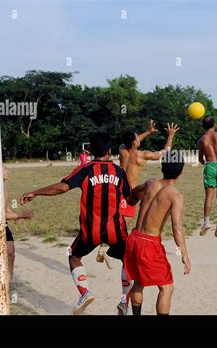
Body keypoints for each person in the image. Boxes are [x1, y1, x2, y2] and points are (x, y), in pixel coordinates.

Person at [20, 133, 132, 315]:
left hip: (91, 231)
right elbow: (130, 196)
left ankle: (85, 292)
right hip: (116, 230)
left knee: (73, 256)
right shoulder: (119, 172)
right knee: (128, 261)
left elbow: (62, 187)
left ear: (92, 151)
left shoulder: (86, 169)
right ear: (110, 151)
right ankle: (123, 300)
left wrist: (36, 192)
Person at [96, 120, 179, 315]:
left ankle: (106, 246)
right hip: (128, 196)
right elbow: (163, 153)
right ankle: (106, 247)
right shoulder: (141, 156)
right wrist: (170, 136)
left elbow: (132, 141)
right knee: (125, 242)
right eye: (137, 138)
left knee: (122, 234)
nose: (138, 139)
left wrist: (147, 132)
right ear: (135, 142)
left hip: (113, 194)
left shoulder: (122, 150)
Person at [124, 152, 191, 315]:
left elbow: (132, 194)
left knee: (138, 282)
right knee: (167, 287)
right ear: (181, 172)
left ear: (162, 167)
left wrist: (133, 201)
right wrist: (184, 254)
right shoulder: (175, 195)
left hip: (133, 239)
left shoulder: (150, 184)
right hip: (149, 243)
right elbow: (177, 228)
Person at [3, 164, 34, 284]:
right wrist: (20, 215)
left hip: (2, 224)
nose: (7, 170)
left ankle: (7, 287)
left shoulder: (3, 187)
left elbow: (2, 208)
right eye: (4, 168)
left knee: (10, 253)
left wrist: (12, 213)